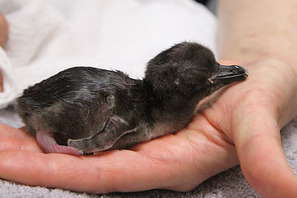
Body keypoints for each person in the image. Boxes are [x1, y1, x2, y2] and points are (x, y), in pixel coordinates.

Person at [0, 0, 296, 197]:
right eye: (209, 79)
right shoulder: (139, 114)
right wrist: (87, 145)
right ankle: (46, 135)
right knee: (93, 104)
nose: (226, 74)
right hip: (44, 102)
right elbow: (114, 126)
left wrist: (266, 53)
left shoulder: (149, 101)